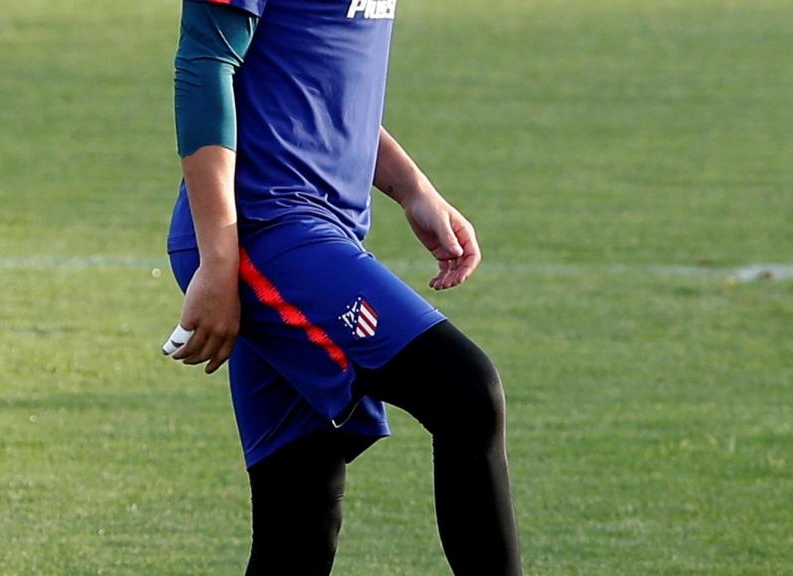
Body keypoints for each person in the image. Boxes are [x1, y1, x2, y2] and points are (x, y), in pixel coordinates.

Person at [162, 0, 524, 574]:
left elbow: (316, 79)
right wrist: (218, 259)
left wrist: (411, 188)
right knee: (466, 393)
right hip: (262, 230)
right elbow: (205, 64)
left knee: (298, 522)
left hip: (318, 231)